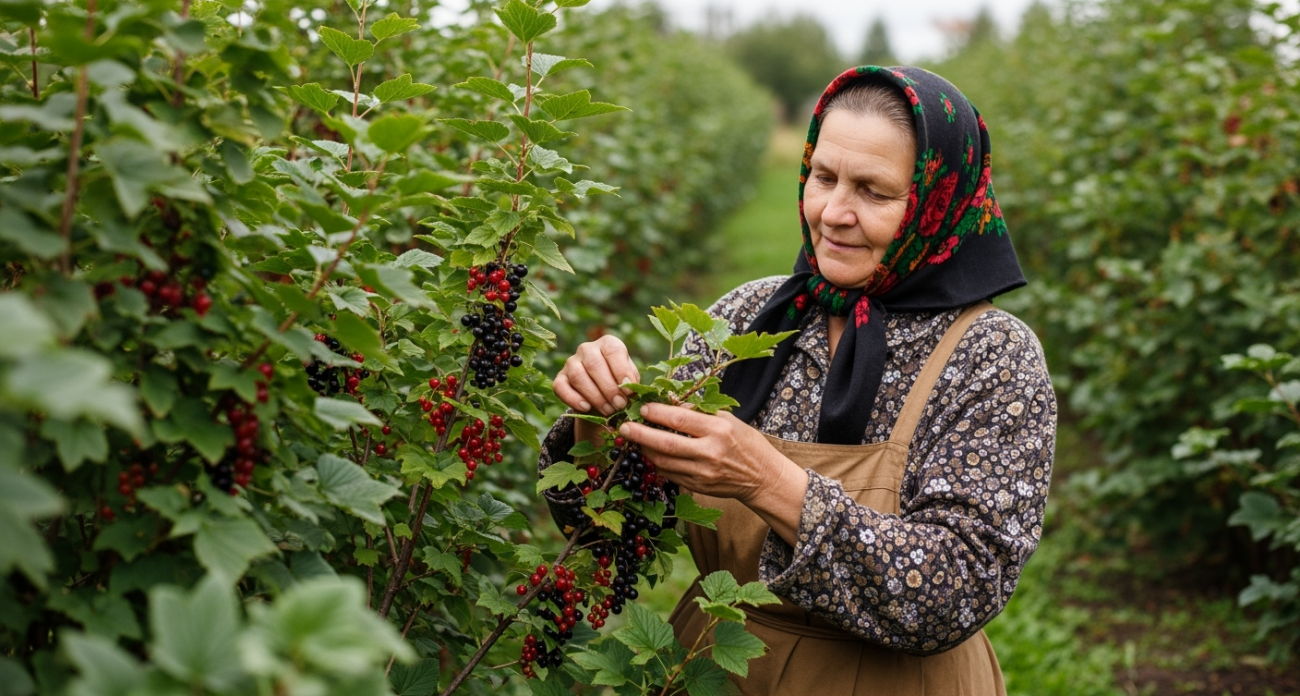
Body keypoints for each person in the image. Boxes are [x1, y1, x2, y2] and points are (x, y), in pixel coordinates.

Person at [539, 66, 1056, 695]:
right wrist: (600, 424)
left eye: (873, 190)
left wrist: (767, 480)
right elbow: (619, 539)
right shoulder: (748, 320)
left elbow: (954, 590)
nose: (834, 212)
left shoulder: (992, 357)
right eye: (824, 177)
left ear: (937, 203)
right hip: (712, 669)